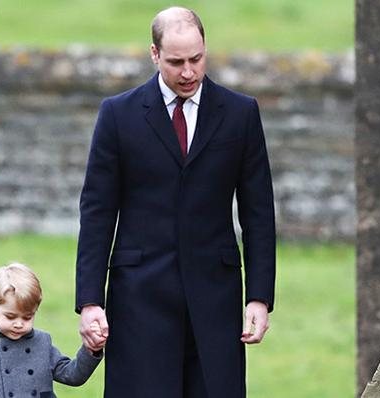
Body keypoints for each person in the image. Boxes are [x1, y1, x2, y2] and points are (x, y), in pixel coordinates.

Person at [75, 6, 276, 398]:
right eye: (176, 62)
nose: (188, 72)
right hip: (139, 298)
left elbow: (259, 213)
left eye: (197, 59)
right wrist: (89, 301)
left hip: (216, 300)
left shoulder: (240, 113)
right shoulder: (118, 115)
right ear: (154, 55)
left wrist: (259, 296)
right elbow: (97, 212)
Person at [0, 263, 103, 398]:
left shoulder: (42, 342)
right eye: (10, 316)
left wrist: (91, 349)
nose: (19, 324)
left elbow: (72, 375)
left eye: (27, 317)